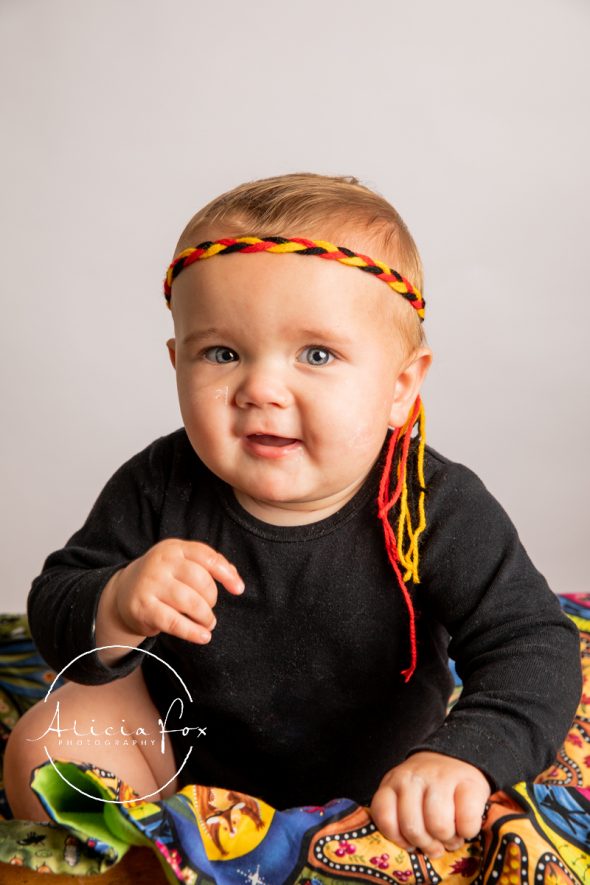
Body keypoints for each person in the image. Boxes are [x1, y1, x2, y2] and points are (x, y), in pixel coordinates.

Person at [5, 172, 582, 860]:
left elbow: (532, 643)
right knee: (44, 746)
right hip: (177, 752)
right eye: (222, 352)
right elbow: (55, 603)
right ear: (176, 362)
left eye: (317, 354)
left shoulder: (431, 502)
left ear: (400, 386)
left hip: (383, 781)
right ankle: (153, 852)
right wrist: (117, 600)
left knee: (465, 802)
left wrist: (462, 757)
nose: (260, 388)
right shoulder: (159, 482)